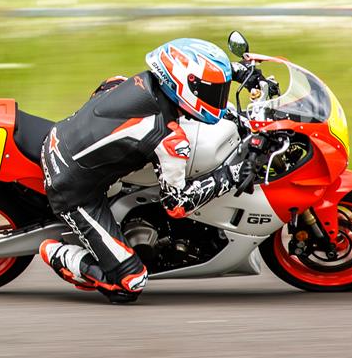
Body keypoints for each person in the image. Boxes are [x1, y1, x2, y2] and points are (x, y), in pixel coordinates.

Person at [39, 37, 261, 304]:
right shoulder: (168, 138)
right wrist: (234, 173)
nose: (219, 97)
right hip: (74, 190)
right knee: (129, 283)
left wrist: (239, 72)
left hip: (58, 137)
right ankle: (58, 254)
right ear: (186, 86)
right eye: (214, 91)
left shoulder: (141, 81)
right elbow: (177, 204)